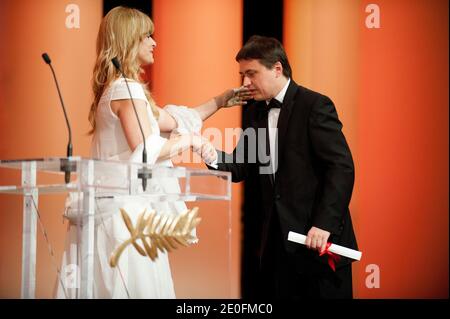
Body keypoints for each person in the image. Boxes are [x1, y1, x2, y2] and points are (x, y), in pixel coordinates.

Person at [55, 6, 247, 299]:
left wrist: (221, 100)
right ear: (129, 41)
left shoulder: (123, 89)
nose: (154, 42)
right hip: (122, 217)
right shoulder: (125, 90)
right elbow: (148, 149)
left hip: (119, 212)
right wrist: (193, 142)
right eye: (147, 36)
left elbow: (172, 121)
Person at [205, 35, 358, 298]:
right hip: (279, 250)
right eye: (242, 75)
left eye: (251, 74)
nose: (245, 83)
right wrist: (203, 147)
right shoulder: (255, 113)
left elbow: (341, 167)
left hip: (319, 244)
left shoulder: (315, 105)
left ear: (277, 68)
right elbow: (240, 167)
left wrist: (323, 225)